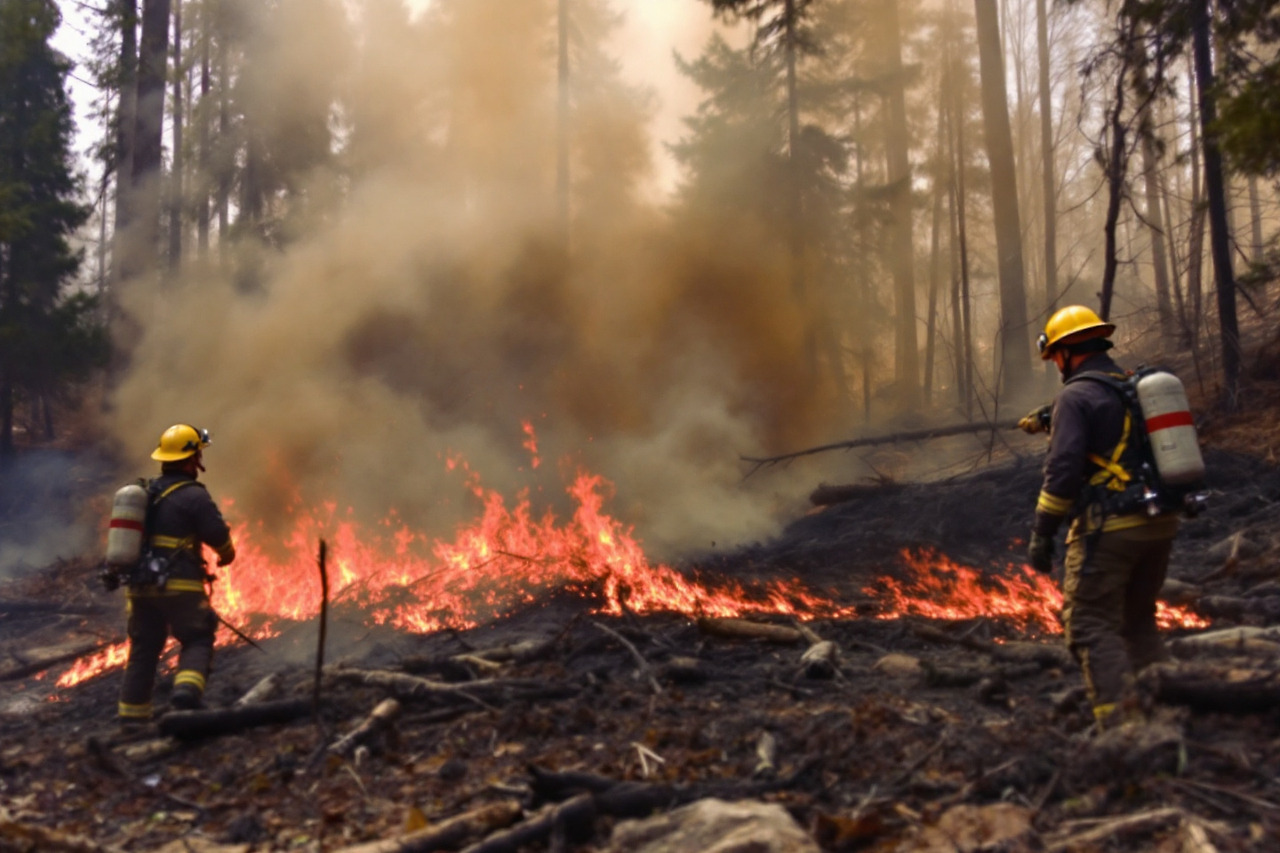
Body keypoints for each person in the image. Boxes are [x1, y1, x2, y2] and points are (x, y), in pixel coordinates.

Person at [1023, 306, 1180, 730]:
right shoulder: (1129, 386)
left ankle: (1124, 731)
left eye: (1056, 355)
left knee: (1090, 624)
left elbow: (1064, 472)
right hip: (1159, 521)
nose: (1056, 364)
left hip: (1112, 528)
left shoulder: (1075, 396)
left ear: (1069, 352)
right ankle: (1165, 710)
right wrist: (1052, 417)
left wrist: (1043, 533)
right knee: (1137, 623)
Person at [118, 424, 236, 724]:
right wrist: (226, 554)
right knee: (198, 636)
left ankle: (131, 721)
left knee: (144, 649)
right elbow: (216, 534)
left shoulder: (146, 492)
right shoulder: (193, 495)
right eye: (197, 454)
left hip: (140, 586)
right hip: (179, 583)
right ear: (190, 459)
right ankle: (186, 695)